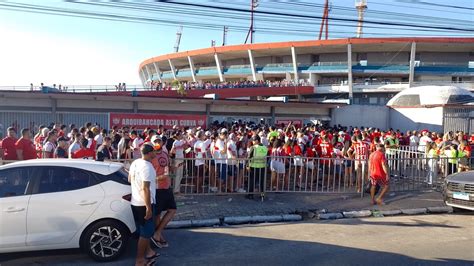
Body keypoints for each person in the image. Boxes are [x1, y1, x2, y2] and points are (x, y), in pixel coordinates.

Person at [128, 144, 159, 266]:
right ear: (149, 153)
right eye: (154, 151)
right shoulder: (148, 167)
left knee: (142, 231)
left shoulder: (135, 163)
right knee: (146, 233)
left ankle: (149, 252)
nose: (155, 153)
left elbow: (130, 179)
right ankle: (140, 260)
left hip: (135, 201)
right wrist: (148, 208)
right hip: (144, 203)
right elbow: (145, 188)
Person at [150, 136, 177, 249]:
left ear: (162, 142)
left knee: (172, 209)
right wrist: (160, 177)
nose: (157, 143)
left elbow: (166, 166)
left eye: (159, 141)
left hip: (166, 186)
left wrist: (172, 168)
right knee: (157, 214)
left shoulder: (165, 153)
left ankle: (158, 233)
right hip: (156, 188)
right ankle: (158, 236)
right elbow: (149, 173)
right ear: (152, 143)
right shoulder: (151, 156)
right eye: (155, 141)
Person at [246, 135, 268, 200]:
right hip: (262, 167)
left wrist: (247, 165)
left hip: (253, 167)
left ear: (257, 141)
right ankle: (262, 195)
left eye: (253, 140)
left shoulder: (253, 147)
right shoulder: (264, 147)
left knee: (252, 181)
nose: (252, 142)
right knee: (262, 182)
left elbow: (249, 157)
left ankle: (250, 195)